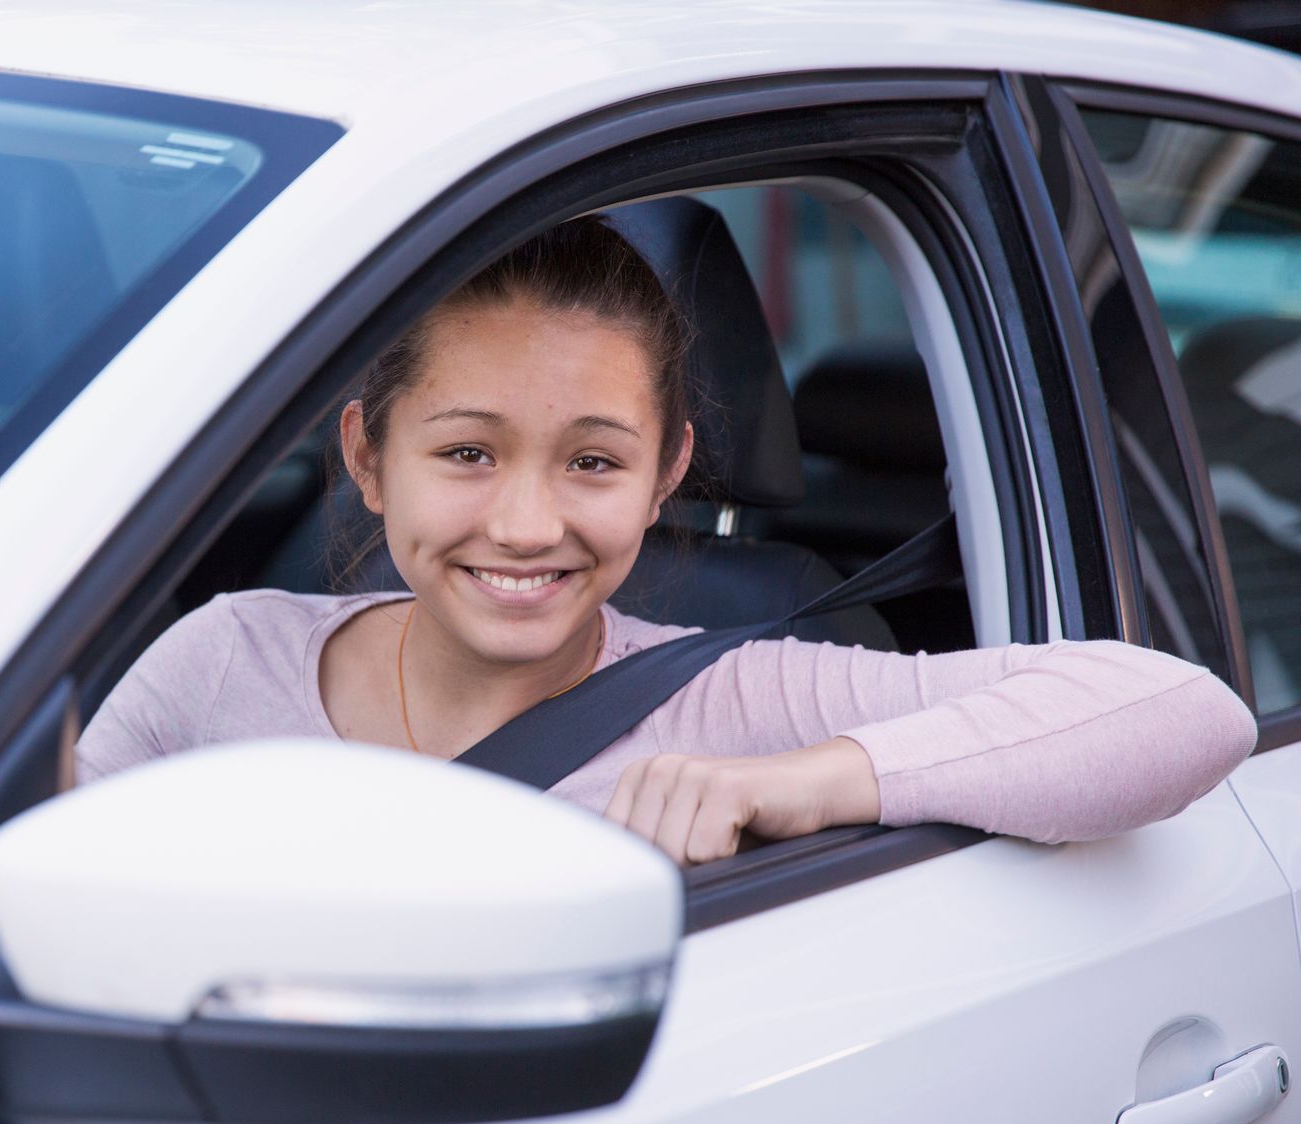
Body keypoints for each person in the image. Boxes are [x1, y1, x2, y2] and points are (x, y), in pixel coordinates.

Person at [76, 217, 1257, 865]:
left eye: (593, 461)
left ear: (667, 476)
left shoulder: (729, 700)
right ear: (368, 458)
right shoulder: (225, 658)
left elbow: (1181, 711)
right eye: (468, 453)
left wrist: (800, 785)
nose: (529, 525)